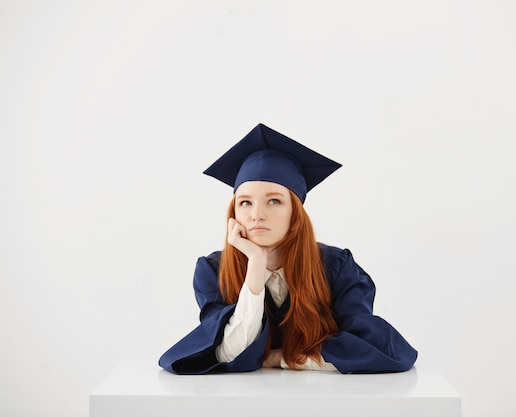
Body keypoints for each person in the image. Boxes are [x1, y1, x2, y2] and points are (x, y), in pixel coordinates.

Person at [159, 123, 417, 374]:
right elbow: (228, 352)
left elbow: (375, 349)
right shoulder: (212, 271)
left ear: (295, 212)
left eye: (274, 201)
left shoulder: (337, 267)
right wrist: (256, 264)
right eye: (245, 202)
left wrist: (286, 358)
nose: (257, 215)